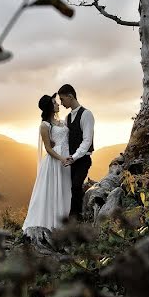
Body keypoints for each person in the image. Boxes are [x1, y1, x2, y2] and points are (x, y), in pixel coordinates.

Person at [22, 94, 71, 234]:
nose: (58, 105)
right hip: (56, 161)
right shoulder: (45, 125)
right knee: (55, 191)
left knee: (66, 189)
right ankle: (53, 224)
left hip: (67, 156)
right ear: (49, 107)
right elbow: (48, 148)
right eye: (55, 103)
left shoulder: (62, 122)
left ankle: (66, 220)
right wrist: (61, 158)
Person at [57, 84, 94, 219]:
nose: (61, 103)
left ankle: (76, 219)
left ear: (70, 96)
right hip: (70, 160)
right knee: (70, 189)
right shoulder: (67, 118)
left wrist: (75, 156)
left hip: (83, 160)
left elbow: (87, 141)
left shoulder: (87, 114)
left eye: (62, 99)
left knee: (76, 186)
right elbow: (66, 139)